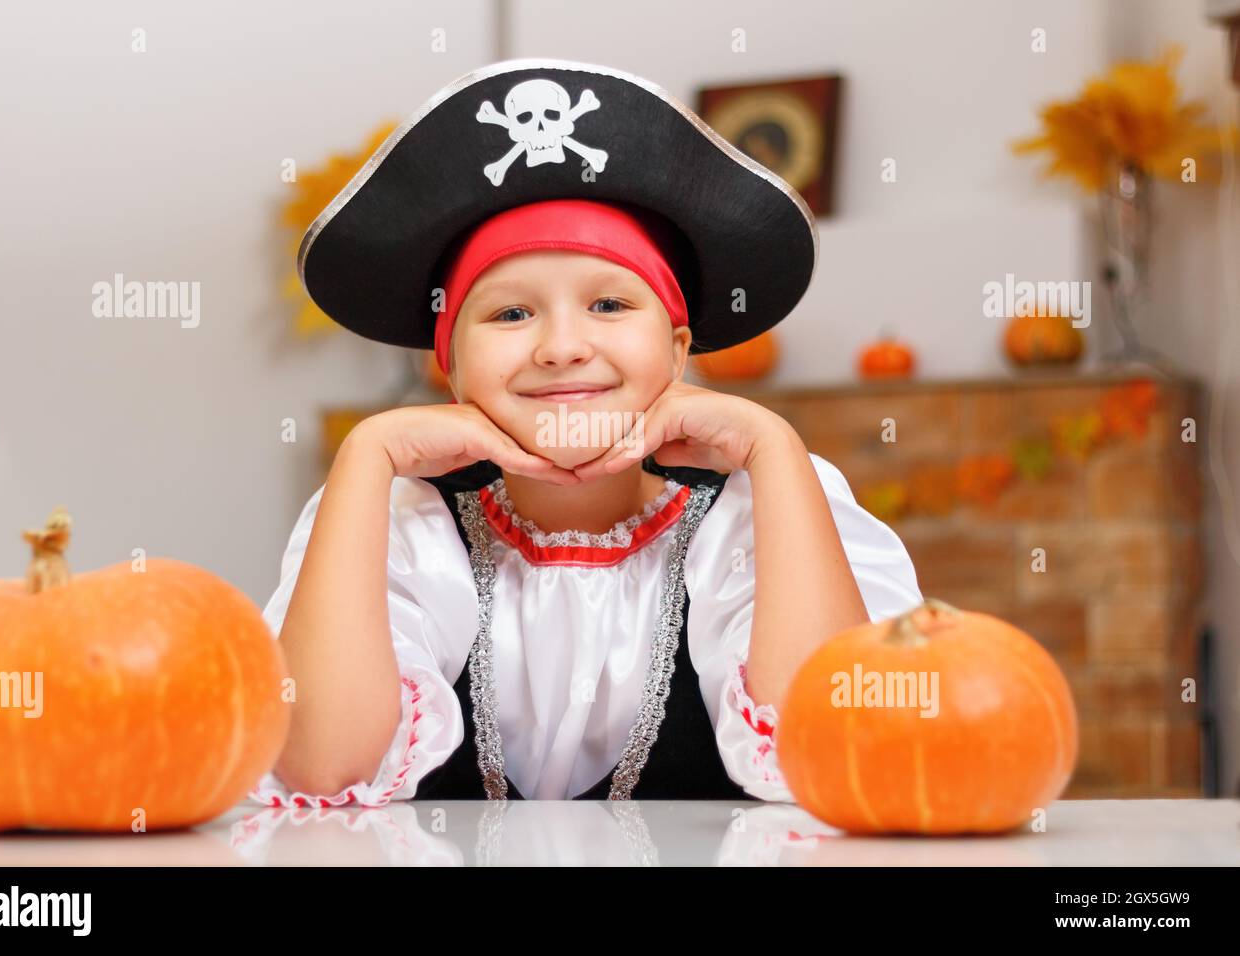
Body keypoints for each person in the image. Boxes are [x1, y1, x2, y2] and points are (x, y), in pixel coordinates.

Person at [251, 59, 923, 806]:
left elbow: (832, 752)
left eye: (608, 304)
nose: (561, 347)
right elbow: (323, 769)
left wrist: (777, 451)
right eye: (510, 314)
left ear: (676, 350)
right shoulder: (397, 518)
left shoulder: (756, 510)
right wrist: (365, 458)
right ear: (451, 367)